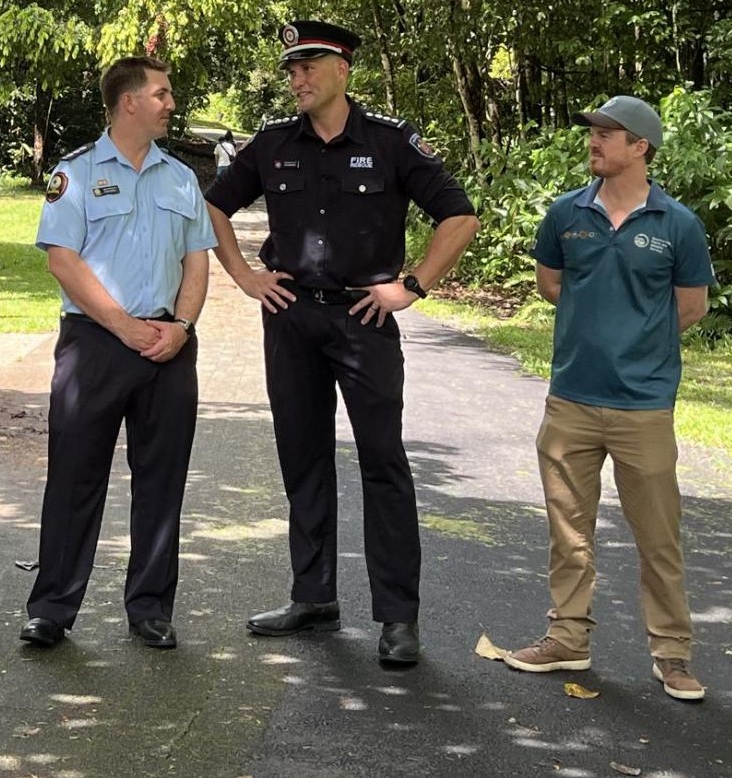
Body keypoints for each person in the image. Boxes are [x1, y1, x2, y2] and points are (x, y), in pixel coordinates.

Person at [202, 20, 479, 667]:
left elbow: (459, 216)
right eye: (291, 68)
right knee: (303, 459)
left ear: (342, 69)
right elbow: (214, 205)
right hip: (293, 318)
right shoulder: (272, 145)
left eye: (307, 66)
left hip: (365, 321)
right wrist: (245, 275)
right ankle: (313, 596)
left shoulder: (388, 142)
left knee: (383, 462)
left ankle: (398, 619)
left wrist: (411, 285)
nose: (296, 78)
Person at [505, 95, 714, 703]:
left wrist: (636, 343)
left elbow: (691, 306)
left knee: (658, 537)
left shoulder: (678, 224)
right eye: (593, 132)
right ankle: (567, 638)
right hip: (571, 398)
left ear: (640, 147)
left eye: (608, 134)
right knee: (568, 533)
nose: (594, 142)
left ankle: (672, 656)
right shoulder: (565, 214)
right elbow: (551, 284)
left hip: (644, 405)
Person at [17, 56, 215, 651]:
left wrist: (180, 325)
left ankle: (151, 608)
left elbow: (197, 261)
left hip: (169, 346)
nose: (170, 102)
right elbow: (63, 259)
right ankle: (52, 608)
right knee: (75, 477)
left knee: (163, 481)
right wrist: (122, 325)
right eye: (161, 93)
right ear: (128, 101)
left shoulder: (181, 177)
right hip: (96, 345)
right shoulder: (74, 174)